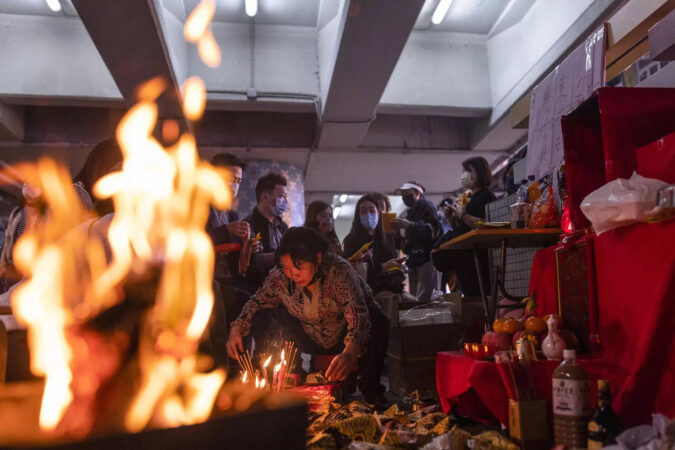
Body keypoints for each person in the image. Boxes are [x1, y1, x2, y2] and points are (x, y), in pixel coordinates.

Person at [226, 227, 389, 405]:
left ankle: (371, 390)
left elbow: (357, 315)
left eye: (299, 266)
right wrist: (236, 328)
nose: (293, 274)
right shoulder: (280, 277)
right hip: (308, 334)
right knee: (276, 317)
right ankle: (293, 378)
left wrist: (350, 352)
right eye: (287, 267)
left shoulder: (339, 272)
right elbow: (256, 302)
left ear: (317, 258)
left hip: (345, 335)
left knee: (378, 319)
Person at [432, 157, 496, 296]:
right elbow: (462, 227)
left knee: (479, 294)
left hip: (478, 258)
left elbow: (486, 224)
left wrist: (463, 215)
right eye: (463, 171)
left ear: (480, 173)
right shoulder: (468, 198)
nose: (464, 174)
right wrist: (453, 218)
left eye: (468, 170)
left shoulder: (486, 196)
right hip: (465, 257)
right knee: (469, 295)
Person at [343, 195, 404, 295]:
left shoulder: (389, 237)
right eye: (363, 211)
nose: (368, 214)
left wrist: (396, 264)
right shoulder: (351, 241)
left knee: (414, 302)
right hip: (365, 290)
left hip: (391, 285)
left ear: (379, 213)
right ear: (358, 216)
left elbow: (393, 262)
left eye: (372, 210)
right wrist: (383, 267)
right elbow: (352, 271)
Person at [391, 182, 440, 302]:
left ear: (417, 193)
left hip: (427, 258)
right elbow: (408, 240)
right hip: (413, 259)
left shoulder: (426, 205)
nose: (404, 197)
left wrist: (410, 225)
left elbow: (434, 230)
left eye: (407, 194)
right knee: (415, 299)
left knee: (424, 298)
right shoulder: (410, 212)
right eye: (402, 195)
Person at [243, 172, 290, 291]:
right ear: (265, 197)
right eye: (281, 196)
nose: (285, 200)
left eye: (286, 196)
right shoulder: (248, 225)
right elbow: (251, 263)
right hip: (259, 288)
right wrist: (281, 257)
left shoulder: (282, 226)